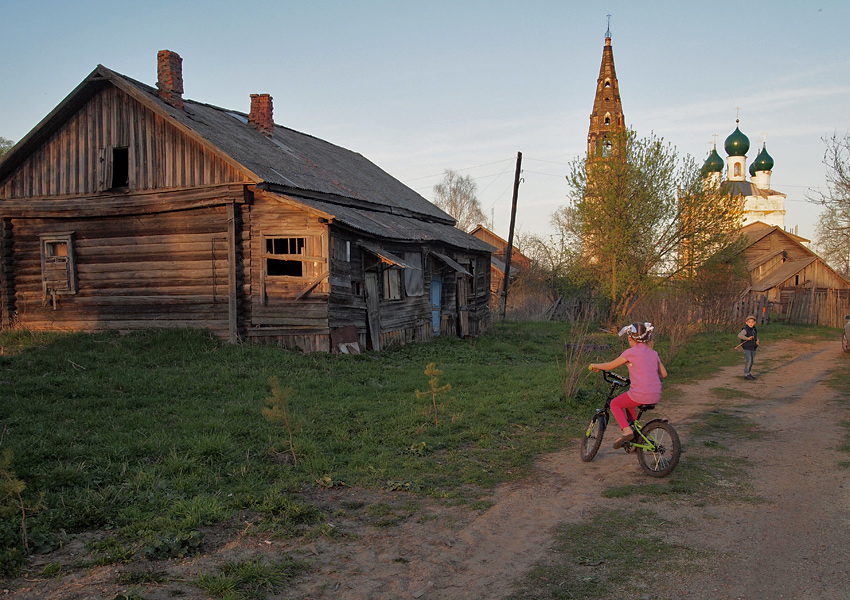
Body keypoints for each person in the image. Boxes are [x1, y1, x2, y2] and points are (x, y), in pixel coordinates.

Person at [589, 322, 668, 448]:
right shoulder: (653, 353)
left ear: (630, 338)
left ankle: (627, 431)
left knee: (615, 403)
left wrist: (595, 365)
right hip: (655, 395)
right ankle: (635, 432)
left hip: (640, 394)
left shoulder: (630, 352)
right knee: (628, 401)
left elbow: (610, 365)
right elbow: (664, 374)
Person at [738, 315, 759, 380]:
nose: (751, 323)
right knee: (748, 360)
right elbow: (739, 335)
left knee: (752, 361)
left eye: (752, 322)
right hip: (747, 347)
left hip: (753, 347)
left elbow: (755, 336)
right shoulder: (745, 330)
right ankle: (746, 374)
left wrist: (757, 340)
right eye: (749, 322)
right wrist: (747, 338)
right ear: (746, 323)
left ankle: (749, 373)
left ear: (755, 322)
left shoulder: (754, 329)